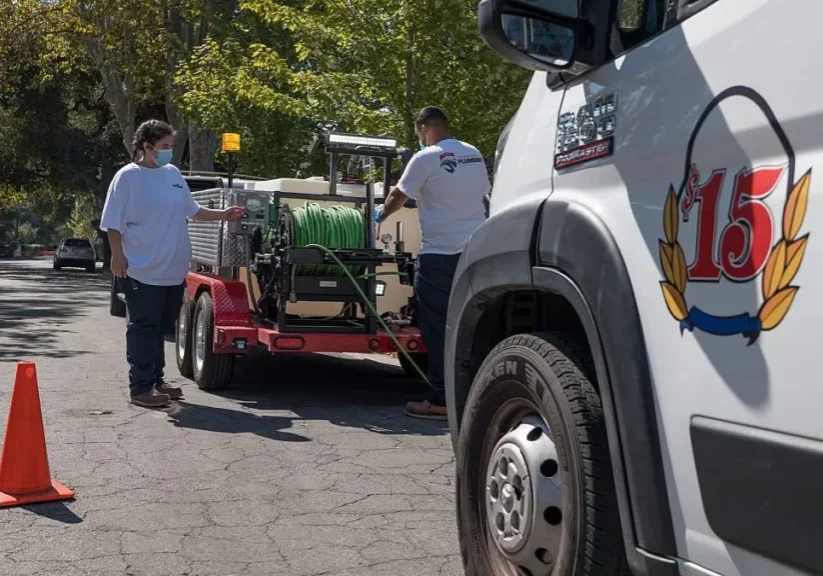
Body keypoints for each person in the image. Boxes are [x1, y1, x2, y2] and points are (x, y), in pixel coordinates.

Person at [100, 120, 244, 408]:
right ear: (146, 146)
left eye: (171, 147)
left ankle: (156, 379)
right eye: (164, 147)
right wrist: (117, 256)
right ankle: (140, 388)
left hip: (173, 269)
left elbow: (192, 211)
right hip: (141, 268)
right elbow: (112, 223)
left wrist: (223, 215)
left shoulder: (173, 174)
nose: (169, 152)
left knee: (161, 327)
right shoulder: (127, 177)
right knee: (143, 327)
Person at [375, 106, 490, 420]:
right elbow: (481, 195)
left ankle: (440, 400)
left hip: (440, 255)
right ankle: (477, 396)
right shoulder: (474, 153)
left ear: (424, 127)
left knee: (439, 329)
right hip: (477, 251)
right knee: (474, 324)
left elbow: (399, 195)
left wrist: (380, 214)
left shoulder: (426, 157)